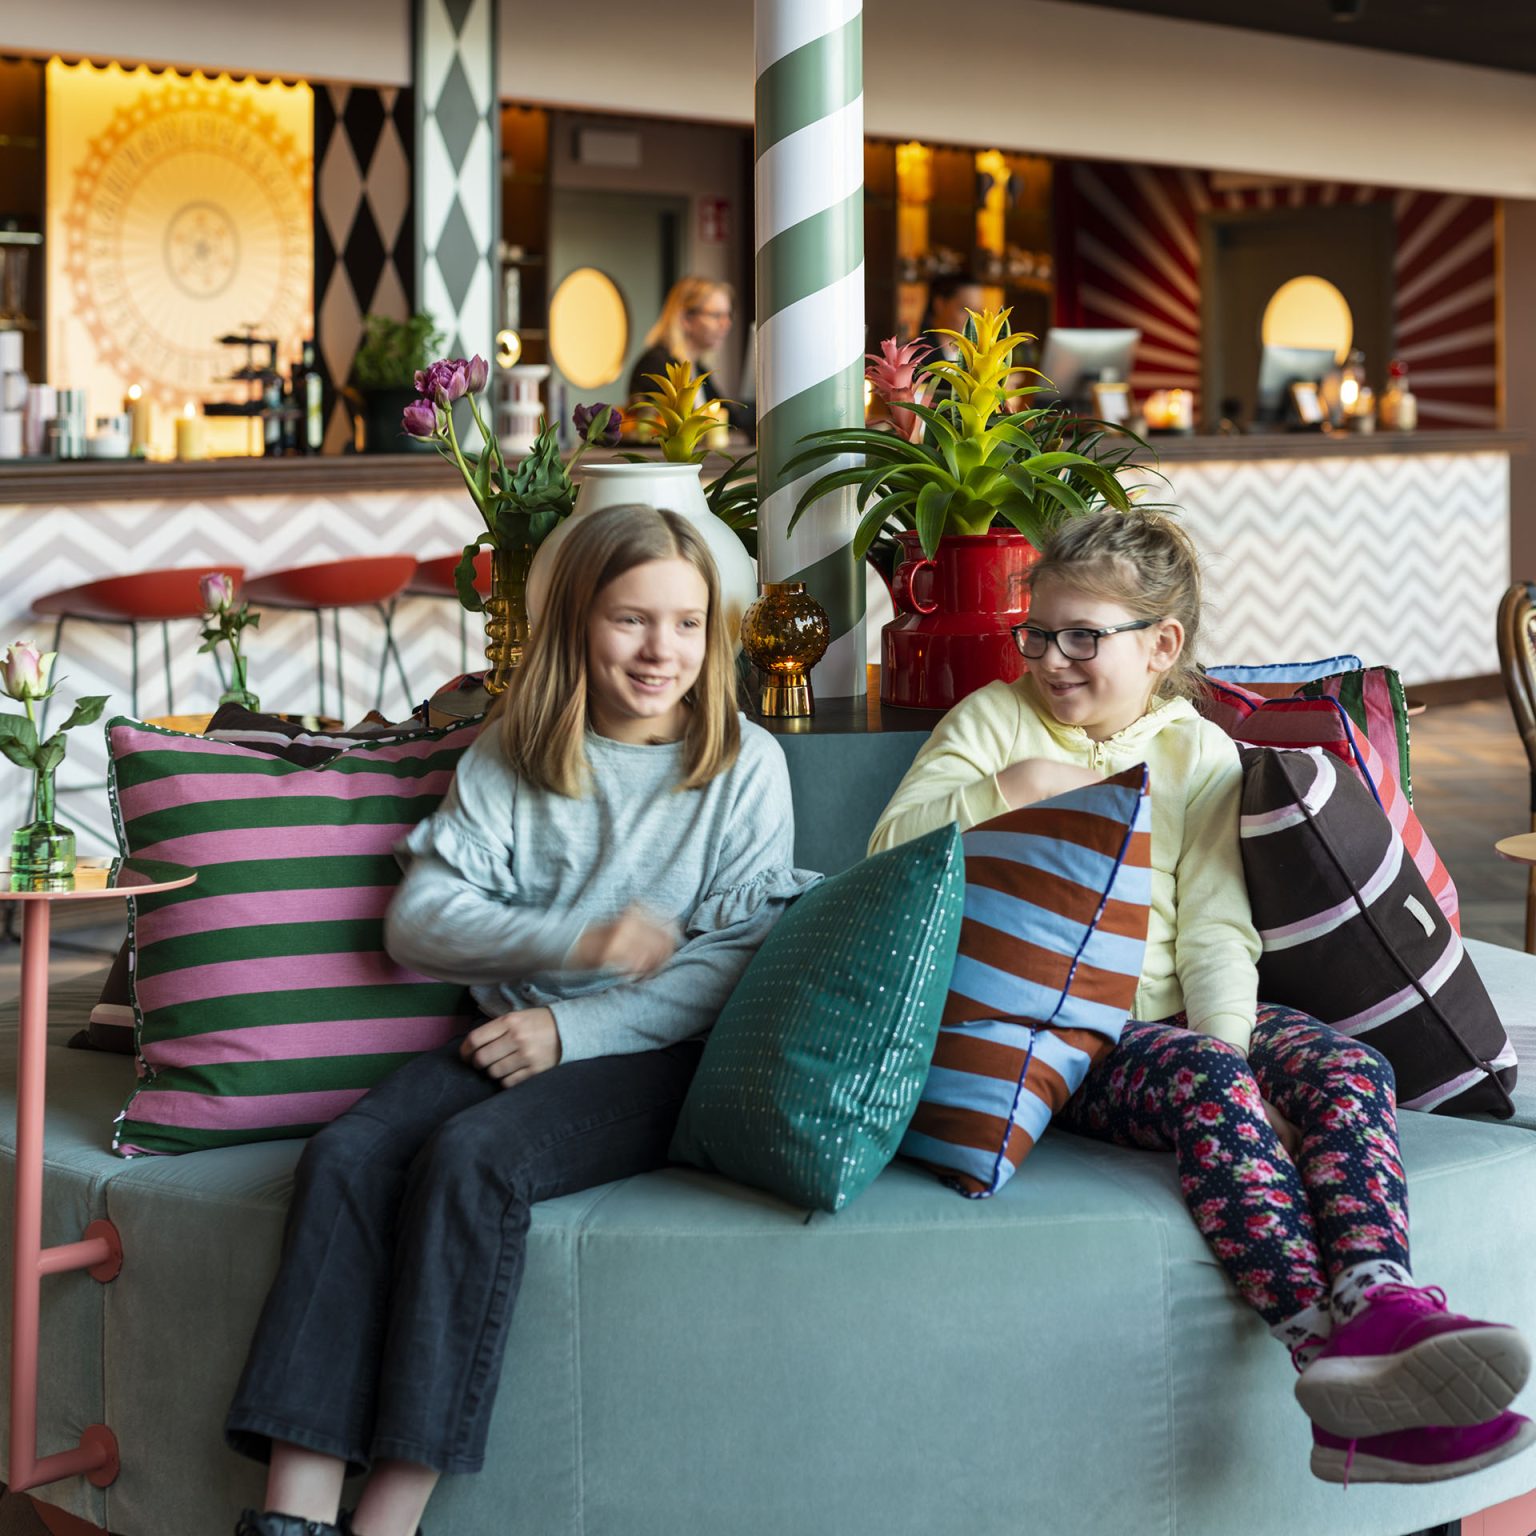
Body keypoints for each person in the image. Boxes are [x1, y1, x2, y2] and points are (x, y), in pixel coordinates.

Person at [869, 507, 1534, 1487]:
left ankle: (1378, 1298)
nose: (1051, 661)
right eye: (1036, 634)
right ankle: (1324, 1354)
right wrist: (1018, 782)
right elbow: (888, 854)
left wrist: (1234, 1047)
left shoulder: (1197, 753)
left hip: (1182, 1014)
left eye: (1082, 638)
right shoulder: (994, 723)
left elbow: (1218, 927)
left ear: (1162, 644)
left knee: (1349, 1066)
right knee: (1206, 1083)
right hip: (1071, 1031)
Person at [225, 504, 817, 1536]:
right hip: (511, 1035)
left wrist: (573, 1032)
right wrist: (578, 943)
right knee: (349, 1155)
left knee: (473, 1162)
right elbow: (419, 923)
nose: (662, 650)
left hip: (655, 1056)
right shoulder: (513, 752)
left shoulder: (744, 765)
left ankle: (388, 1521)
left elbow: (731, 964)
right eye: (632, 619)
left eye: (686, 624)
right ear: (578, 622)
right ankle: (294, 1516)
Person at [627, 275, 752, 436]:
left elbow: (733, 423)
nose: (726, 324)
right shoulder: (656, 365)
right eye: (716, 315)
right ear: (686, 318)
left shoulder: (699, 370)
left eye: (729, 315)